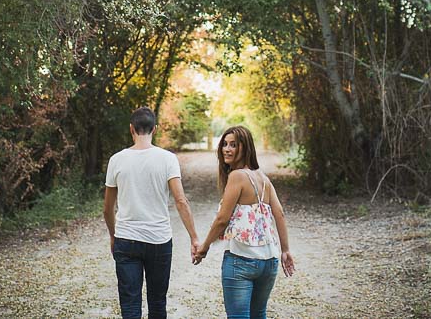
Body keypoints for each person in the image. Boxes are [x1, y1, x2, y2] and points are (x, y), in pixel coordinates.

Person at [104, 107, 199, 319]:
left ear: (131, 129)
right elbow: (181, 201)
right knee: (157, 302)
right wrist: (194, 237)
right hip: (159, 240)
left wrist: (113, 235)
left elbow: (107, 207)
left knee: (130, 305)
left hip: (126, 239)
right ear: (154, 129)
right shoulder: (167, 159)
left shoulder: (116, 160)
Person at [193, 125, 296, 319]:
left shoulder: (237, 176)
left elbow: (222, 219)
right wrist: (285, 250)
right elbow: (279, 213)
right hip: (269, 262)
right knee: (259, 314)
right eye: (225, 144)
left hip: (241, 260)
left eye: (233, 145)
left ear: (245, 148)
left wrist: (204, 247)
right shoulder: (263, 178)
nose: (227, 149)